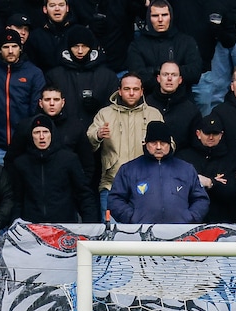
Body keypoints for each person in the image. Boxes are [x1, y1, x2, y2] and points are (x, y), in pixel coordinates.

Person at [108, 120, 209, 224]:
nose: (158, 147)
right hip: (140, 235)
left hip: (180, 234)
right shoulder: (129, 169)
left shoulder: (186, 169)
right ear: (145, 143)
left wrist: (190, 218)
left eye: (163, 143)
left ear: (170, 144)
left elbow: (201, 199)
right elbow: (115, 200)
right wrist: (132, 218)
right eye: (153, 143)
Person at [87, 73, 164, 208]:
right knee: (110, 229)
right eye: (127, 89)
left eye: (135, 89)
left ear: (141, 92)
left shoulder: (154, 114)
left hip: (147, 185)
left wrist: (156, 147)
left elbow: (169, 145)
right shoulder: (105, 114)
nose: (131, 93)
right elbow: (88, 142)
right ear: (120, 91)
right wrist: (98, 135)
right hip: (112, 185)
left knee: (145, 228)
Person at [0, 28, 45, 165]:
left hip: (25, 147)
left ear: (21, 48)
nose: (10, 51)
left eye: (14, 46)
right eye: (6, 47)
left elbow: (36, 111)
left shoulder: (34, 73)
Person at [10, 114, 98, 223]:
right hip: (32, 227)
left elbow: (84, 195)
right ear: (31, 136)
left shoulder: (68, 159)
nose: (41, 137)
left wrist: (90, 225)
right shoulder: (21, 163)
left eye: (45, 132)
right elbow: (17, 200)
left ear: (52, 134)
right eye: (37, 132)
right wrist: (15, 223)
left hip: (65, 226)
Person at [46, 25, 118, 131]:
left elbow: (116, 108)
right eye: (75, 46)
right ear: (68, 47)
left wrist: (99, 108)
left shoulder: (107, 76)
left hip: (98, 135)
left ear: (91, 47)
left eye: (84, 46)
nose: (80, 51)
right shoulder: (54, 75)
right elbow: (46, 107)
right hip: (64, 136)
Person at [125, 0, 203, 97]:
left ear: (171, 16)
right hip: (149, 101)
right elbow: (137, 77)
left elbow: (195, 73)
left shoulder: (186, 41)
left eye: (164, 15)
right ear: (149, 18)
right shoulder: (137, 45)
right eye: (155, 16)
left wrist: (156, 72)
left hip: (182, 100)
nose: (160, 19)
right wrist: (168, 73)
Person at [178, 114, 236, 224]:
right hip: (191, 222)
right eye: (207, 133)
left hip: (222, 221)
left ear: (221, 135)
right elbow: (179, 189)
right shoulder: (184, 157)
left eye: (215, 133)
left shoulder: (231, 159)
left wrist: (210, 182)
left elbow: (231, 191)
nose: (211, 137)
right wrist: (215, 183)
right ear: (198, 134)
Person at [144, 61, 200, 154]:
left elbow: (195, 145)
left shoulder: (191, 110)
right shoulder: (146, 104)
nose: (169, 78)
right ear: (158, 78)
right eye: (165, 74)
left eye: (174, 75)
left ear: (180, 80)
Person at [24, 0, 73, 72]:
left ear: (67, 8)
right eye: (52, 5)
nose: (57, 9)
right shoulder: (35, 36)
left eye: (61, 5)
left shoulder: (77, 32)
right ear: (45, 9)